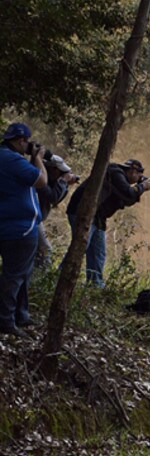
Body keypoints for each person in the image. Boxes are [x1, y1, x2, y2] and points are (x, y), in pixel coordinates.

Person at [65, 159, 150, 287]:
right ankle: (61, 277)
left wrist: (139, 189)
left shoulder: (120, 181)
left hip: (98, 218)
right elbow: (128, 193)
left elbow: (128, 199)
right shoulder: (115, 172)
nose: (139, 179)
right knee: (80, 247)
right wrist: (142, 186)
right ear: (132, 171)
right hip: (82, 212)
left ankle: (95, 285)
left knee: (98, 252)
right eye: (139, 176)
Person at [0, 123, 48, 337]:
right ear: (21, 141)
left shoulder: (6, 158)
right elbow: (41, 181)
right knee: (15, 276)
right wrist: (37, 158)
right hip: (20, 227)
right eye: (27, 143)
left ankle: (21, 315)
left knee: (21, 273)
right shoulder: (12, 159)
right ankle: (7, 322)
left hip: (8, 223)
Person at [35, 155, 80, 268]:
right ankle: (40, 281)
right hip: (31, 219)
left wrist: (65, 184)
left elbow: (55, 202)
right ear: (53, 169)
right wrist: (63, 181)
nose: (61, 175)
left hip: (34, 219)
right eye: (60, 172)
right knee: (45, 249)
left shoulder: (48, 180)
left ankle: (34, 280)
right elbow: (53, 197)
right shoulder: (39, 178)